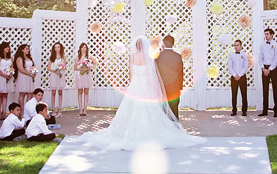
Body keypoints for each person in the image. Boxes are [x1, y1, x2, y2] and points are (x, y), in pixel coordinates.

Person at [77, 36, 206, 151]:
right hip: (144, 84)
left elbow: (130, 75)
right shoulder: (147, 57)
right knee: (149, 110)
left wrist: (131, 85)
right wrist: (151, 86)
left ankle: (131, 132)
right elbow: (151, 74)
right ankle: (149, 132)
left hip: (135, 85)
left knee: (131, 110)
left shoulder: (131, 57)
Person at [156, 35, 183, 120]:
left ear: (163, 44)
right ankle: (175, 127)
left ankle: (163, 127)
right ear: (173, 44)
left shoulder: (158, 56)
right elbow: (180, 73)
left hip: (161, 87)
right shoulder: (178, 56)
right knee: (174, 110)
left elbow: (155, 72)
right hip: (174, 87)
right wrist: (180, 87)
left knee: (161, 110)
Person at [258, 28, 277, 117]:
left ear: (272, 35)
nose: (266, 35)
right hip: (265, 67)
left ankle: (276, 110)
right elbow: (260, 57)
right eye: (265, 34)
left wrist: (270, 69)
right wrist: (263, 68)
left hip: (273, 68)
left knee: (275, 89)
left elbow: (276, 58)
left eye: (267, 34)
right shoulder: (262, 45)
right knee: (265, 89)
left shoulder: (275, 45)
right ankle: (265, 110)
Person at [75, 43, 97, 117]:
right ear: (80, 49)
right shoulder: (78, 57)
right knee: (80, 91)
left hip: (87, 75)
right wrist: (81, 69)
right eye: (82, 47)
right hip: (80, 75)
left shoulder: (89, 57)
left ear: (87, 49)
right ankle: (80, 109)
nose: (83, 49)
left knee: (86, 91)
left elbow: (92, 66)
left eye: (85, 47)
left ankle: (85, 110)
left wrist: (88, 68)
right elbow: (75, 67)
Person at [227, 39, 248, 116]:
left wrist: (239, 74)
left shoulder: (244, 55)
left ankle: (244, 110)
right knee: (234, 94)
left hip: (242, 76)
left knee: (244, 93)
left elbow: (246, 66)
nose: (236, 47)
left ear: (241, 46)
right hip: (234, 76)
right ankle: (234, 110)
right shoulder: (231, 55)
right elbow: (230, 66)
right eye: (234, 45)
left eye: (237, 45)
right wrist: (234, 75)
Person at [14, 44, 36, 111]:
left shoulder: (29, 58)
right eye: (26, 49)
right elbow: (21, 69)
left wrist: (34, 72)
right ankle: (21, 111)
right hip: (23, 77)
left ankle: (28, 110)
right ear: (22, 50)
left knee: (30, 93)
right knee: (22, 94)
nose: (28, 50)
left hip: (29, 77)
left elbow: (33, 66)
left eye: (28, 49)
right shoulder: (19, 58)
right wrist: (30, 74)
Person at [0, 42, 13, 120]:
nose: (7, 49)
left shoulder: (10, 58)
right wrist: (4, 75)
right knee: (0, 95)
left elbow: (12, 68)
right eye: (6, 47)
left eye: (8, 47)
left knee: (5, 95)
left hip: (8, 77)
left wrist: (10, 74)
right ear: (2, 48)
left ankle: (4, 112)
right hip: (1, 77)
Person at [47, 42, 66, 117]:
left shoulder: (63, 56)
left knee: (60, 92)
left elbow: (64, 66)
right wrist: (55, 70)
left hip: (60, 75)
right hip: (54, 75)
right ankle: (53, 109)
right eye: (55, 47)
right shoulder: (52, 56)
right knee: (53, 93)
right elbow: (48, 67)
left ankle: (60, 109)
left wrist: (60, 70)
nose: (57, 49)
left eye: (58, 47)